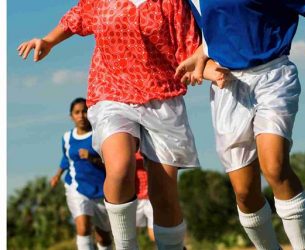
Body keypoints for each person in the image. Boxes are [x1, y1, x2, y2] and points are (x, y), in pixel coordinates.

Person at [17, 1, 205, 249]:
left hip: (162, 97)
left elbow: (191, 50)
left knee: (163, 196)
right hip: (111, 92)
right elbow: (78, 17)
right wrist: (49, 40)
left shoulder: (171, 2)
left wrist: (213, 70)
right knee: (119, 168)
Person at [176, 1, 305, 249]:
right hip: (228, 87)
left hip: (273, 74)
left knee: (274, 166)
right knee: (244, 192)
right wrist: (202, 58)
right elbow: (210, 31)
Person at [50, 97, 112, 250]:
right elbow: (66, 158)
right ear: (71, 116)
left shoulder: (99, 135)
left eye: (84, 111)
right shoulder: (67, 138)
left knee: (103, 237)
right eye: (77, 112)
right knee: (83, 228)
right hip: (76, 187)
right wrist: (57, 174)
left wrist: (91, 158)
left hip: (101, 190)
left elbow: (111, 162)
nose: (81, 115)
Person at [134, 151, 155, 243]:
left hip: (152, 197)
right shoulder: (128, 148)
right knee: (130, 236)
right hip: (134, 198)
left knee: (156, 236)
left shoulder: (152, 148)